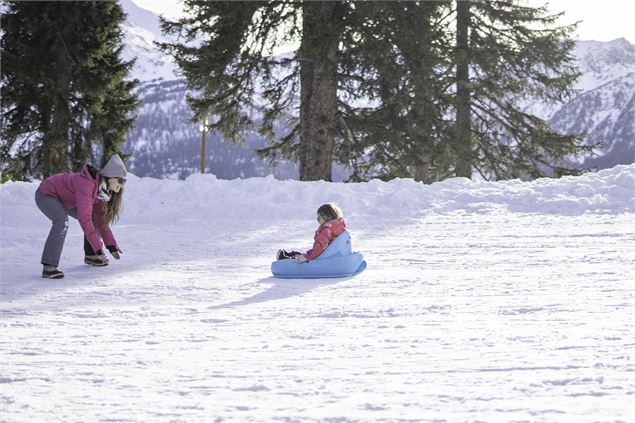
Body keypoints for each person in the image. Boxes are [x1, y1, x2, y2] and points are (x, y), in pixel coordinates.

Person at [35, 154, 127, 279]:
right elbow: (85, 219)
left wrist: (110, 245)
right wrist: (99, 248)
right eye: (120, 180)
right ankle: (49, 266)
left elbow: (100, 220)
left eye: (124, 181)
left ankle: (91, 255)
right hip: (47, 194)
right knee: (62, 221)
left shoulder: (103, 192)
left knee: (94, 218)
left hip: (65, 200)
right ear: (110, 178)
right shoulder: (86, 185)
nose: (121, 185)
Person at [277, 203, 347, 263]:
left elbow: (320, 246)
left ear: (327, 217)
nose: (317, 219)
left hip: (322, 256)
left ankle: (285, 260)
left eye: (319, 217)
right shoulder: (337, 227)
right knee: (303, 253)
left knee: (302, 258)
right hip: (329, 254)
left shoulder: (327, 230)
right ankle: (289, 255)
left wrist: (308, 257)